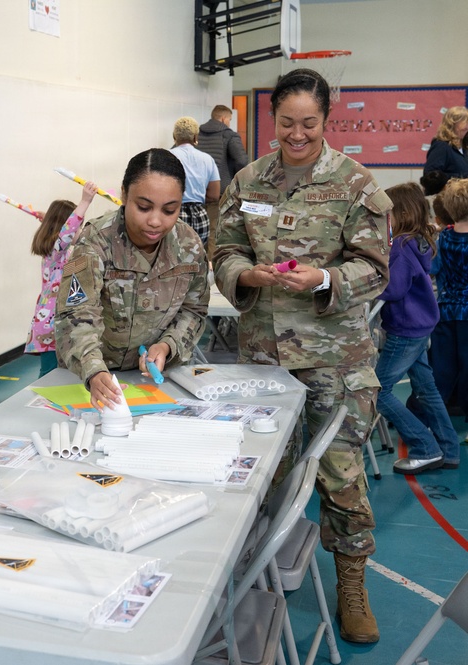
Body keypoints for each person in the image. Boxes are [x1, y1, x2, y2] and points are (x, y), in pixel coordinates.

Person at [213, 68, 391, 644]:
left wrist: (323, 279)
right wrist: (245, 273)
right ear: (273, 119)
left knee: (340, 477)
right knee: (264, 478)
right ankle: (258, 582)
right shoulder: (249, 180)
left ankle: (352, 584)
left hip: (332, 359)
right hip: (264, 360)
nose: (296, 134)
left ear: (326, 118)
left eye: (308, 123)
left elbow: (374, 269)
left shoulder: (355, 183)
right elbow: (226, 249)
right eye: (286, 123)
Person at [55, 148, 210, 410]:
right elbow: (76, 315)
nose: (155, 221)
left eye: (170, 210)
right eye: (144, 207)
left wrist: (167, 346)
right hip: (92, 379)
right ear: (124, 194)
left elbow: (194, 310)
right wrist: (94, 371)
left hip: (156, 382)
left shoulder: (188, 245)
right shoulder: (95, 243)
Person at [374, 183, 460, 474]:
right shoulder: (419, 239)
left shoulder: (399, 245)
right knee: (427, 389)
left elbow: (395, 289)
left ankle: (425, 447)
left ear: (402, 213)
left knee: (378, 391)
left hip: (405, 329)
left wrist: (369, 285)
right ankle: (449, 449)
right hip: (421, 325)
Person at [24, 181, 97, 377]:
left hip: (57, 324)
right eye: (79, 227)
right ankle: (42, 405)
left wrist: (47, 219)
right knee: (49, 375)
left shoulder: (58, 252)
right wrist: (85, 201)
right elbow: (67, 233)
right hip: (51, 326)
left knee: (63, 373)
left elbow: (68, 235)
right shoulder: (57, 251)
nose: (80, 232)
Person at [431, 179, 468, 420]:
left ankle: (433, 419)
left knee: (442, 370)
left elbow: (433, 268)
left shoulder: (443, 238)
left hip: (444, 311)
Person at [197, 105, 250, 255]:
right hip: (219, 190)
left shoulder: (197, 133)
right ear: (223, 118)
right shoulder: (229, 135)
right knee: (214, 229)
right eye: (230, 119)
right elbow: (241, 161)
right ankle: (212, 267)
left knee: (197, 230)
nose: (229, 123)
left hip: (197, 191)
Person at [169, 116, 220, 248]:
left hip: (174, 213)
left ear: (174, 136)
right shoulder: (207, 159)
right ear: (195, 137)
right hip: (200, 216)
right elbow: (214, 195)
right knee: (196, 257)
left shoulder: (166, 156)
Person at [423, 105, 468, 180]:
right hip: (449, 191)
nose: (467, 127)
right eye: (464, 122)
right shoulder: (441, 146)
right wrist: (461, 177)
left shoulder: (464, 147)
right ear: (452, 124)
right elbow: (430, 176)